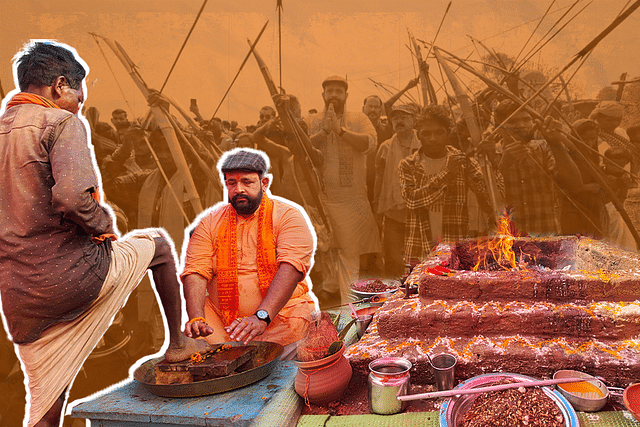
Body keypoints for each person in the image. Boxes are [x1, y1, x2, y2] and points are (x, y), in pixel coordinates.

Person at [0, 41, 210, 427]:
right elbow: (71, 198)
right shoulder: (60, 122)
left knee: (46, 406)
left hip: (18, 298)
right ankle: (178, 347)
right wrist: (105, 226)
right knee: (160, 247)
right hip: (72, 279)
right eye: (79, 97)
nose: (80, 106)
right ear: (60, 86)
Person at [180, 148, 316, 355]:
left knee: (283, 360)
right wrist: (196, 317)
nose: (239, 189)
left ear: (264, 183)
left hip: (280, 319)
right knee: (202, 352)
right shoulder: (209, 222)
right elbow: (195, 270)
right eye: (232, 183)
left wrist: (261, 316)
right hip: (222, 323)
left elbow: (291, 267)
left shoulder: (288, 216)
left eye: (247, 182)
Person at [307, 75, 380, 304]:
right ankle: (331, 286)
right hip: (322, 197)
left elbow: (370, 143)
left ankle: (350, 304)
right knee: (327, 248)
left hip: (351, 199)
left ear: (346, 96)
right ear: (323, 95)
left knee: (349, 251)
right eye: (330, 91)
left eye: (339, 91)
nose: (334, 96)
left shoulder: (359, 118)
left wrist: (340, 131)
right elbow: (303, 150)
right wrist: (324, 132)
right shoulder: (313, 120)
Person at [399, 105, 492, 266]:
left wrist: (489, 162)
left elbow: (490, 202)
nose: (433, 138)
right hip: (419, 247)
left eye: (439, 132)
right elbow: (412, 200)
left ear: (447, 133)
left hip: (454, 247)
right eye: (426, 133)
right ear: (419, 136)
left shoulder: (462, 161)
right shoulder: (409, 165)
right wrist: (447, 174)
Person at [490, 99, 583, 235]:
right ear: (498, 127)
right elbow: (490, 201)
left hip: (546, 238)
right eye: (513, 122)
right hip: (508, 242)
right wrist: (504, 167)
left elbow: (575, 184)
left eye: (527, 119)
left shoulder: (544, 147)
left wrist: (555, 142)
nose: (522, 125)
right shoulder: (489, 154)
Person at [374, 105, 421, 278]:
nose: (399, 121)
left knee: (417, 257)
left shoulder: (423, 144)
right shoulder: (385, 147)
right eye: (395, 118)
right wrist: (376, 205)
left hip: (418, 210)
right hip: (393, 211)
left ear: (414, 120)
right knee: (393, 257)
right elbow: (379, 179)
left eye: (404, 117)